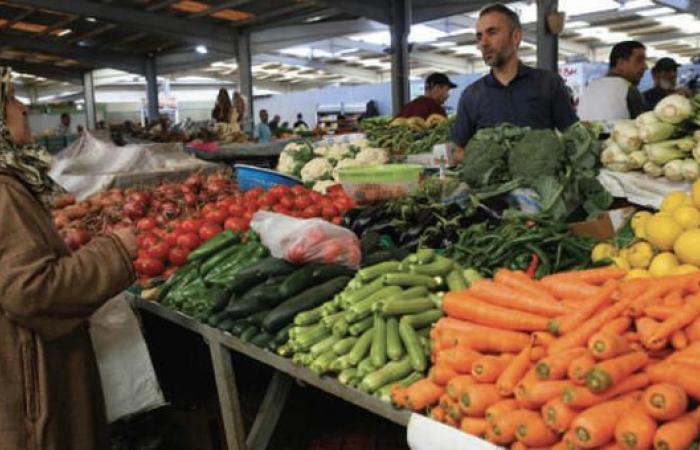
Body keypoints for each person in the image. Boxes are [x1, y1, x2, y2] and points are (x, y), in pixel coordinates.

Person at [0, 66, 137, 450]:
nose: (23, 106)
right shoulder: (4, 191)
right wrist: (113, 252)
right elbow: (29, 290)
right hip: (30, 393)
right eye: (10, 99)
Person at [451, 3, 577, 158]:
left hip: (542, 180)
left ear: (516, 37)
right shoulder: (471, 95)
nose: (483, 43)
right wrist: (486, 161)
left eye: (492, 32)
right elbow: (457, 151)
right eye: (479, 36)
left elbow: (574, 137)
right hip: (492, 181)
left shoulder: (549, 84)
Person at [578, 41, 649, 122]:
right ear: (620, 63)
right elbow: (644, 128)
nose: (645, 66)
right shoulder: (628, 89)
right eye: (639, 60)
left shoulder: (589, 88)